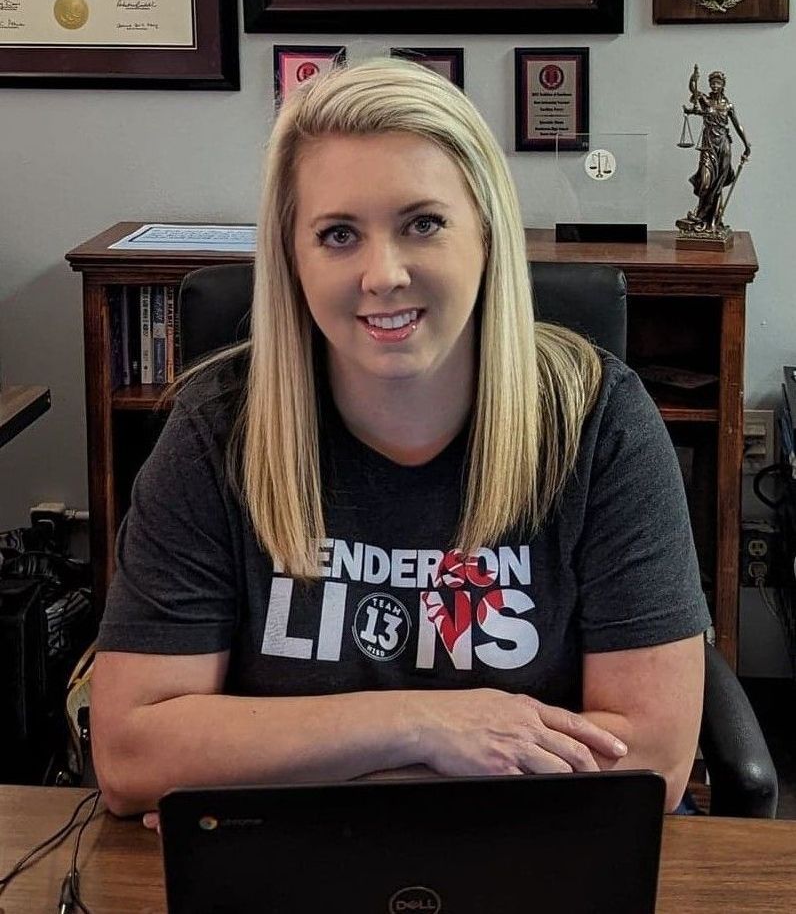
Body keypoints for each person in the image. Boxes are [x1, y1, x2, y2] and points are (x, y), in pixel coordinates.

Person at [91, 58, 710, 820]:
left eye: (423, 223)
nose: (382, 274)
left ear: (486, 232)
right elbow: (131, 754)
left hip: (533, 856)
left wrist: (280, 774)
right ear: (293, 258)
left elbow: (650, 758)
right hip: (299, 866)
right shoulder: (218, 429)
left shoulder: (598, 419)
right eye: (338, 234)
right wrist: (421, 724)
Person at [679, 65, 751, 234]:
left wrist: (747, 145)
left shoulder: (728, 105)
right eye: (712, 82)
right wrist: (693, 78)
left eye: (718, 83)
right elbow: (693, 89)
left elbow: (738, 126)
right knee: (705, 182)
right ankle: (700, 214)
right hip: (708, 145)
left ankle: (710, 220)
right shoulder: (705, 100)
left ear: (723, 85)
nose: (714, 85)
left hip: (724, 145)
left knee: (718, 184)